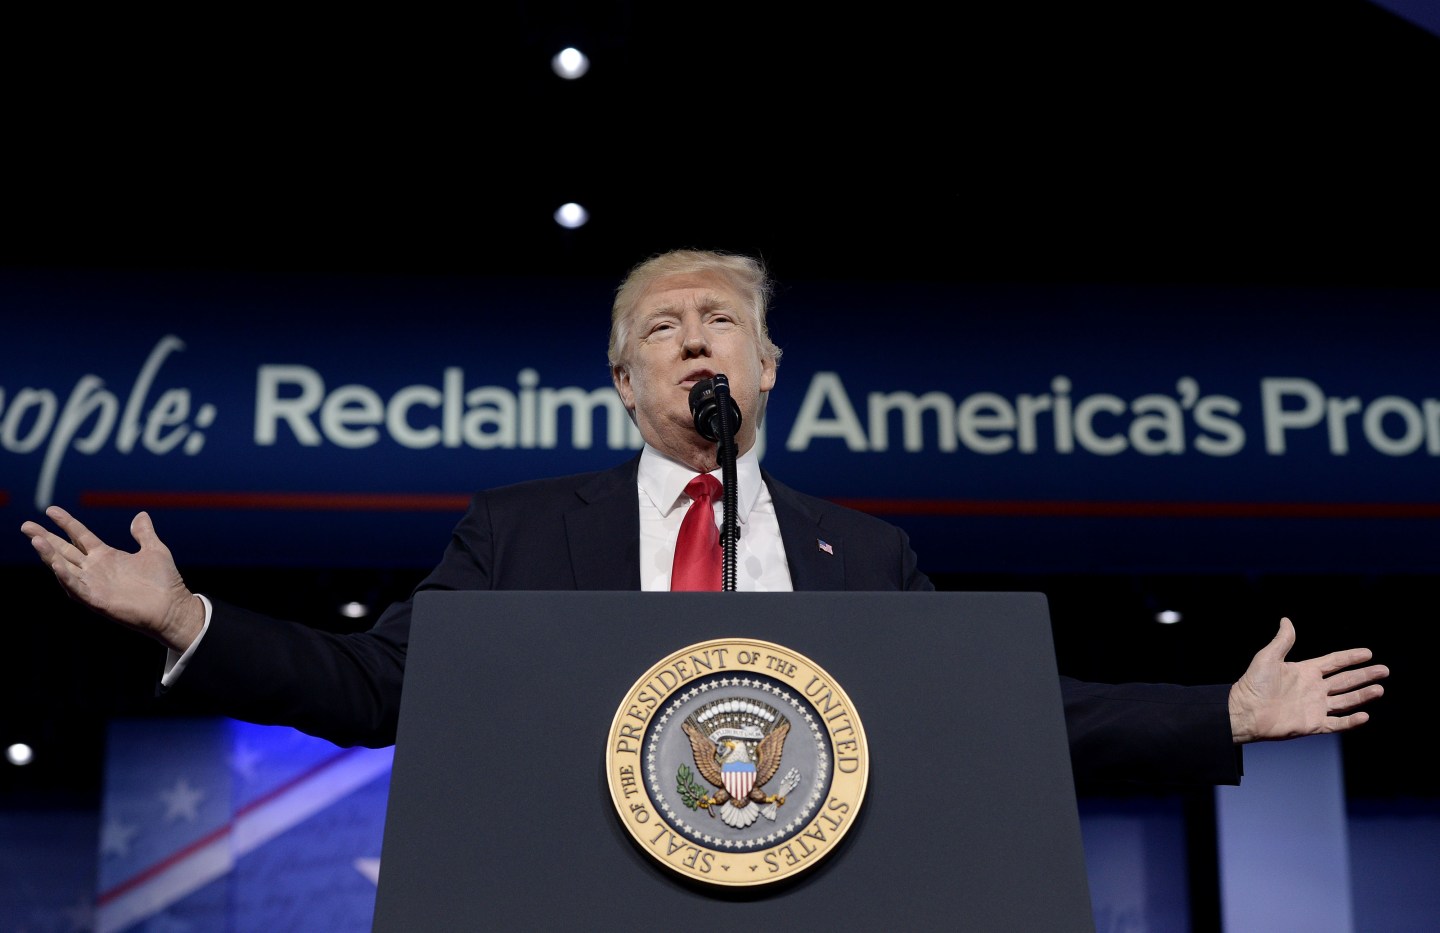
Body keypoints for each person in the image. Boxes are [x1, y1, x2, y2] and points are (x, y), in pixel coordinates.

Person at [21, 248, 1389, 787]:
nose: (694, 341)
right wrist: (190, 620)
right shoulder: (520, 529)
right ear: (622, 382)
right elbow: (380, 687)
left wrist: (1222, 710)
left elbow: (992, 708)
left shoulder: (871, 552)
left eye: (720, 322)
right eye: (660, 328)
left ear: (767, 366)